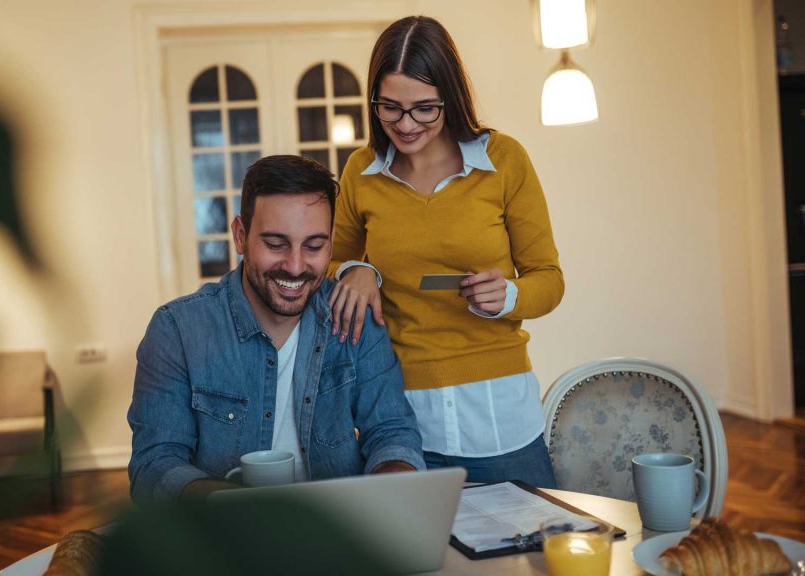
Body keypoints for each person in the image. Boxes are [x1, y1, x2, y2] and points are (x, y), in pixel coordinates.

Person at [328, 16, 564, 487]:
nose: (406, 124)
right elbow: (329, 263)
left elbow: (549, 279)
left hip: (500, 413)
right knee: (420, 558)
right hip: (404, 415)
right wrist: (356, 270)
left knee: (530, 554)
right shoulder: (361, 171)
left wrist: (509, 295)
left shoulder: (505, 161)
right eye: (389, 107)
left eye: (424, 109)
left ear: (451, 98)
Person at [128, 155, 424, 502]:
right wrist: (235, 507)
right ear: (240, 236)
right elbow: (154, 465)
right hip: (224, 538)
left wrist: (393, 490)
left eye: (314, 246)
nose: (296, 266)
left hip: (343, 536)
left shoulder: (354, 315)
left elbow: (392, 431)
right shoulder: (177, 330)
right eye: (275, 244)